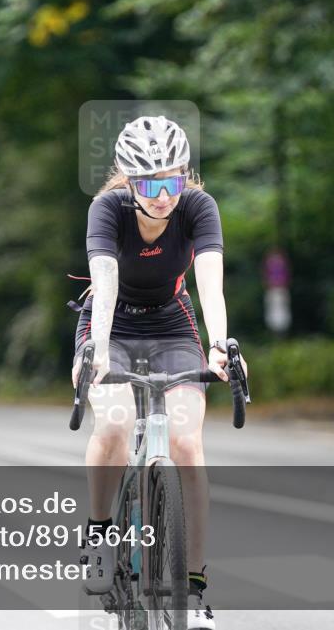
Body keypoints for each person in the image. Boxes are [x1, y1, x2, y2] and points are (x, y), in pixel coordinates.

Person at [71, 115, 246, 630]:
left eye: (172, 180)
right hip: (111, 324)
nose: (163, 194)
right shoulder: (107, 209)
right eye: (150, 183)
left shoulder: (198, 207)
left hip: (172, 323)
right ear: (129, 179)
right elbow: (103, 281)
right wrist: (97, 352)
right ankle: (101, 534)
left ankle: (192, 591)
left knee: (189, 444)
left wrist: (220, 346)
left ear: (183, 176)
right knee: (116, 424)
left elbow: (209, 283)